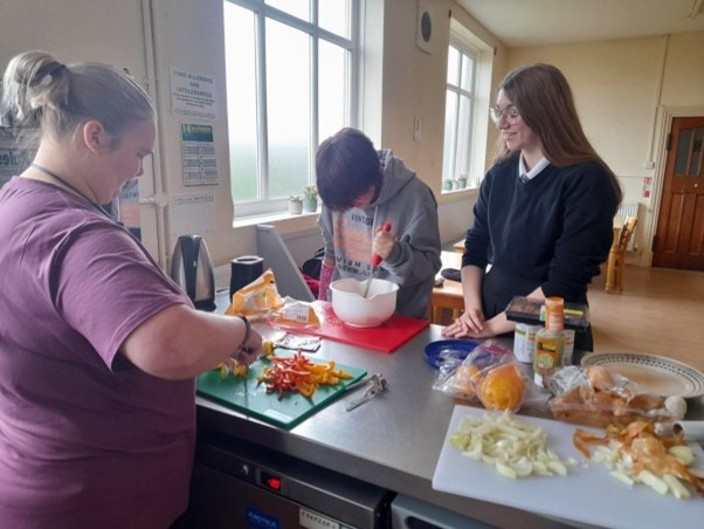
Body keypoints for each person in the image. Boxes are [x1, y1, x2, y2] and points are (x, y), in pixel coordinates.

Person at [0, 51, 263, 529]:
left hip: (30, 480)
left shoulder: (11, 206)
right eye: (139, 154)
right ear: (94, 136)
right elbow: (168, 343)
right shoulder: (76, 233)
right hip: (98, 502)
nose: (140, 172)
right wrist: (241, 329)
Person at [442, 63, 622, 352]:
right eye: (498, 112)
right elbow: (475, 247)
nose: (502, 124)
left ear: (546, 112)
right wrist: (474, 312)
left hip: (550, 333)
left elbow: (563, 282)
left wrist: (492, 326)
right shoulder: (498, 174)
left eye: (513, 112)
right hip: (490, 318)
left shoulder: (587, 180)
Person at [315, 127, 442, 319]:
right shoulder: (336, 195)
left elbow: (430, 265)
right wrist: (322, 306)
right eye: (344, 205)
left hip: (400, 322)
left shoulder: (416, 198)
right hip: (345, 316)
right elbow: (330, 255)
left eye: (356, 199)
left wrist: (395, 254)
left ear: (373, 177)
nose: (350, 208)